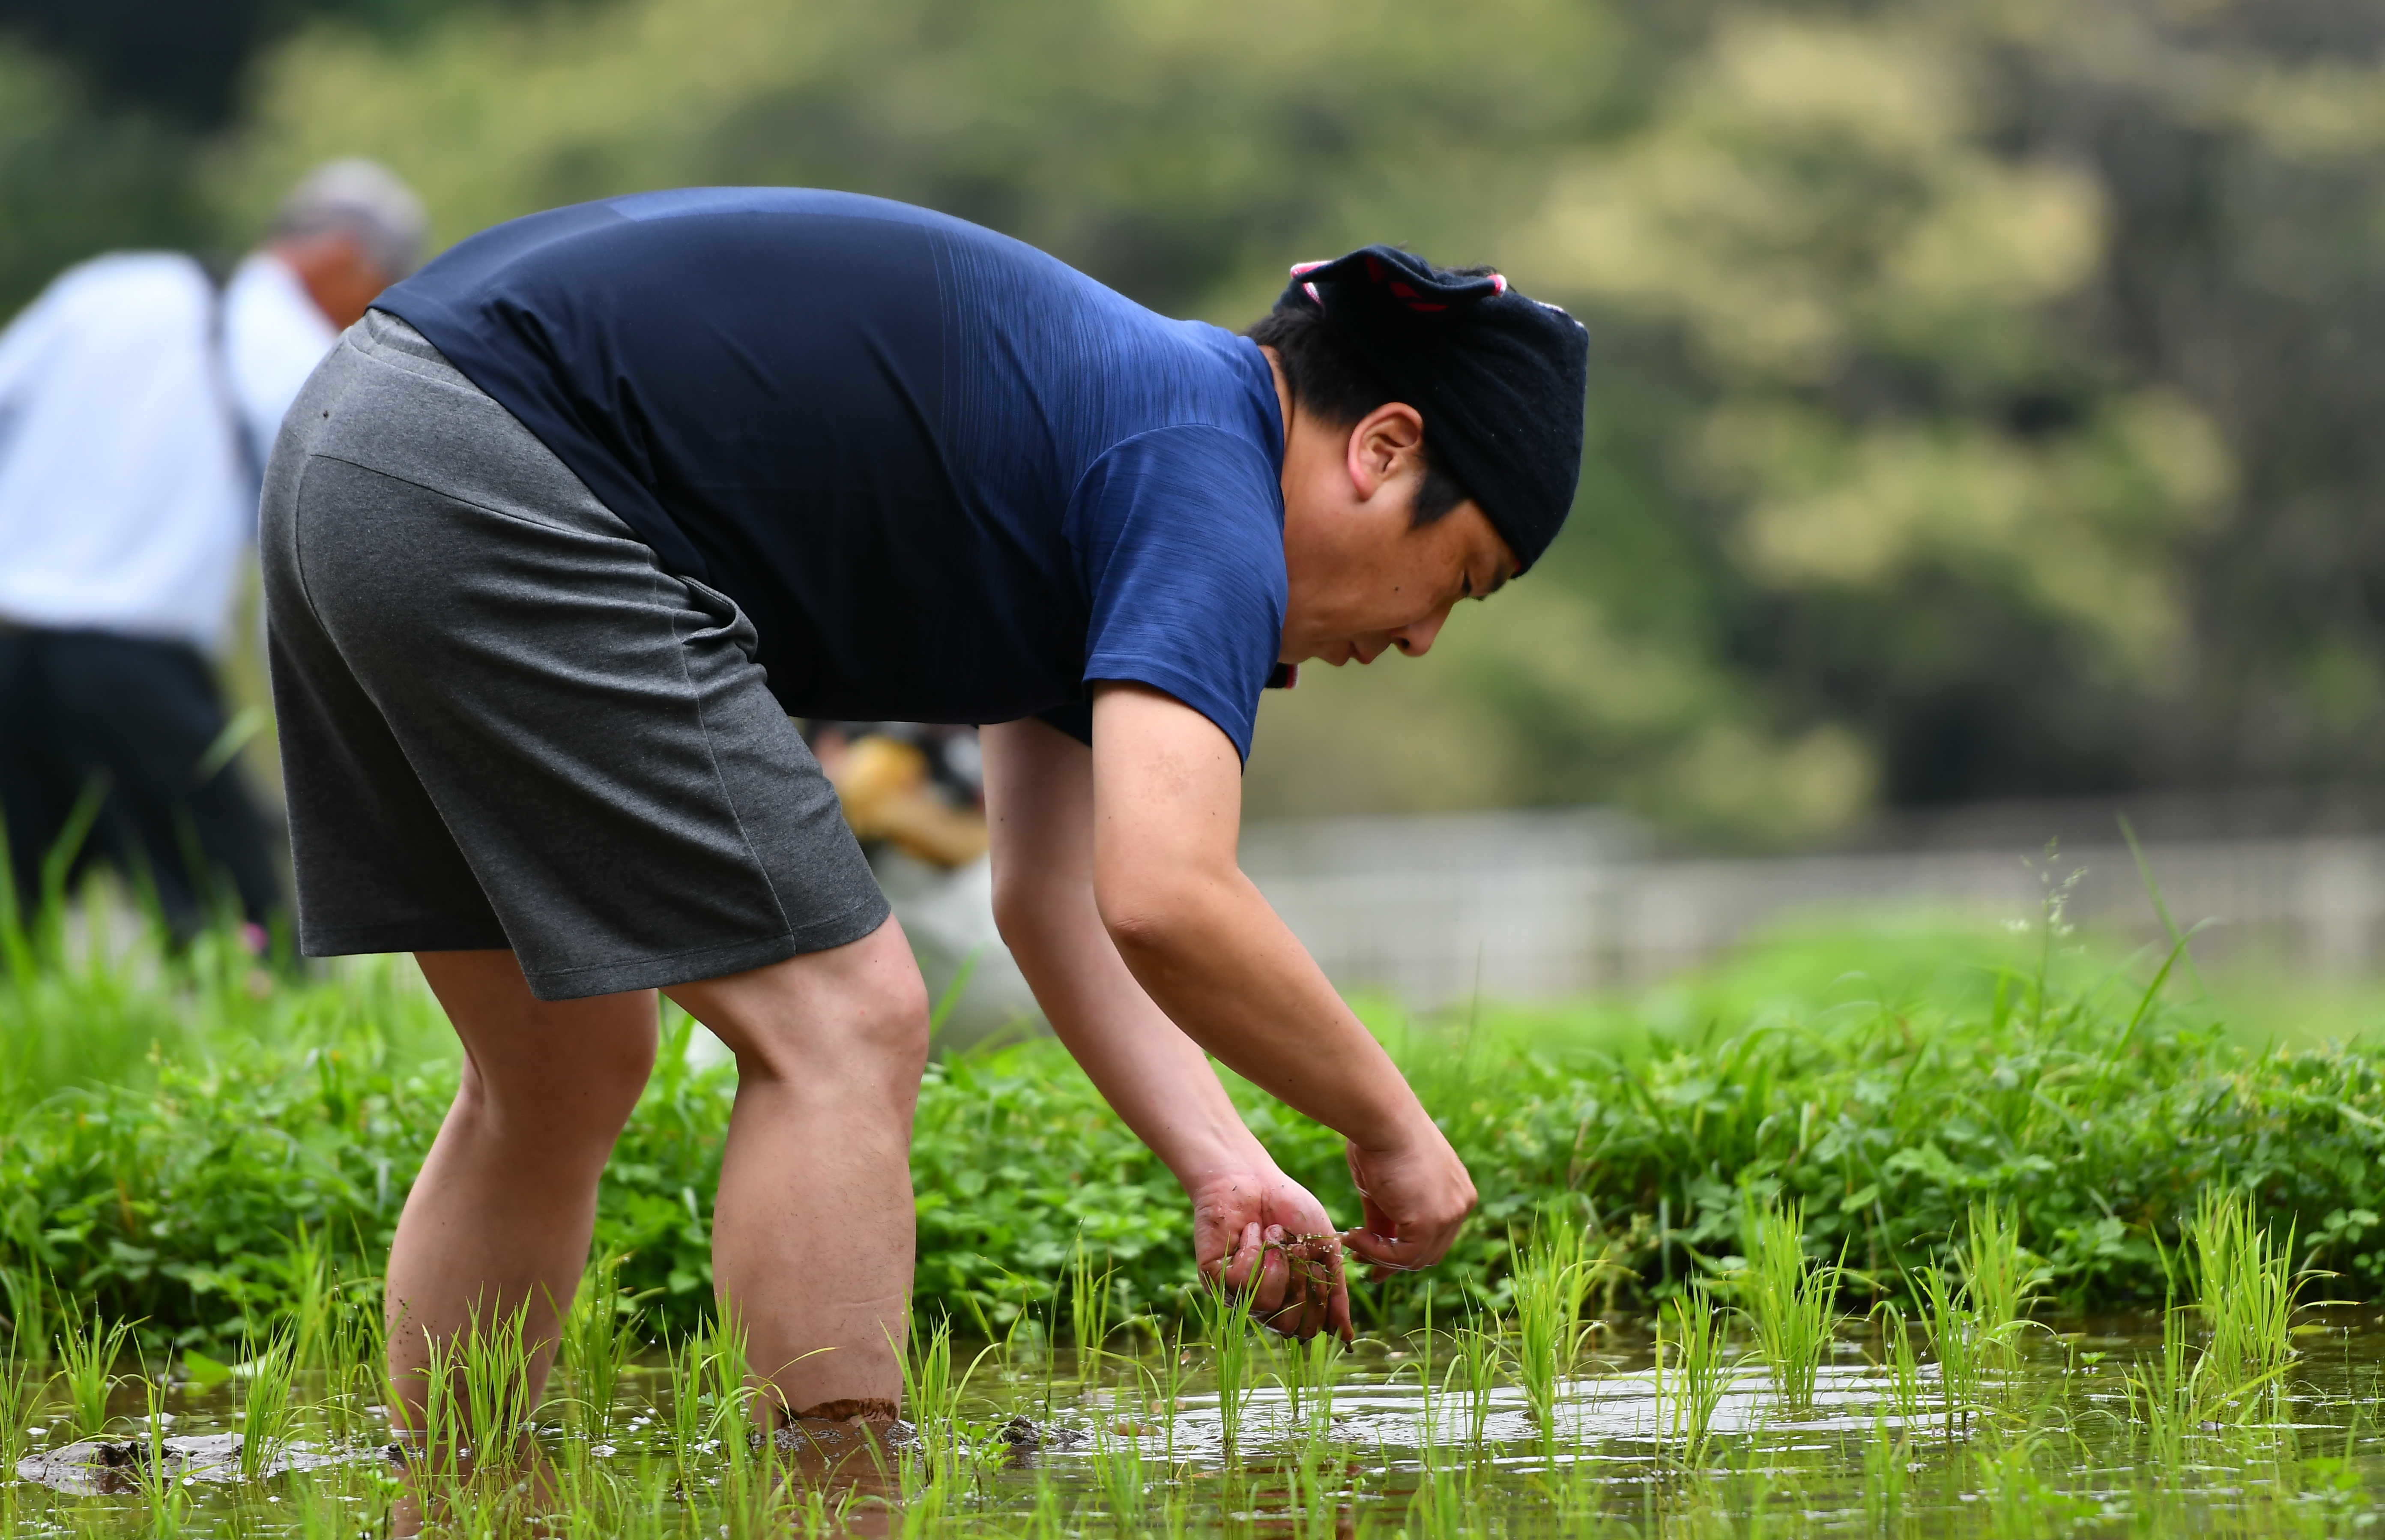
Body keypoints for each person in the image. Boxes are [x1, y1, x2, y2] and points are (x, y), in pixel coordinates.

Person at [259, 189, 1588, 1435]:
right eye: (1456, 578)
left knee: (559, 1072)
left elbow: (1059, 898)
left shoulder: (1135, 442)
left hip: (361, 444)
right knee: (845, 1021)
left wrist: (1222, 1159)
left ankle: (456, 1512)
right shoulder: (1207, 466)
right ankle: (841, 1534)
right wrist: (1391, 1130)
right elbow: (1171, 893)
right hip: (499, 466)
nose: (1420, 639)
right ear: (1384, 446)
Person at [0, 159, 427, 942]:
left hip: (9, 648)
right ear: (344, 261)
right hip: (131, 670)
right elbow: (331, 518)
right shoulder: (296, 345)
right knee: (242, 929)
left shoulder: (105, 288)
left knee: (18, 928)